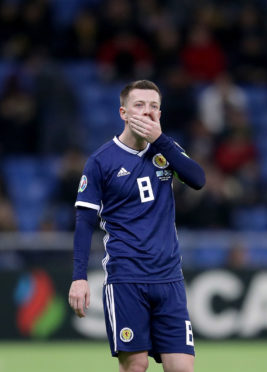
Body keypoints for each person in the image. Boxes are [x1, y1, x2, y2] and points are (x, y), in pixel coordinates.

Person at [68, 80, 205, 372]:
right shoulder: (101, 161)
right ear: (123, 113)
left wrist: (161, 141)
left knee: (182, 368)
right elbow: (84, 222)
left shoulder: (167, 151)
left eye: (154, 106)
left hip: (169, 278)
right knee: (136, 366)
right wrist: (79, 276)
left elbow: (198, 179)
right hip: (126, 278)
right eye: (139, 106)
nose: (147, 112)